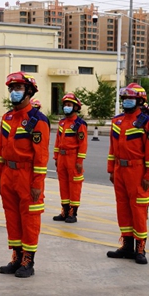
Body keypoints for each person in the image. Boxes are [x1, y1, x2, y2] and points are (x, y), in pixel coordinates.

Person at [0, 73, 49, 277]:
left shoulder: (37, 120)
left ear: (29, 92)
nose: (13, 92)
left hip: (27, 175)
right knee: (12, 217)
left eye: (18, 88)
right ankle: (16, 257)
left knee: (30, 219)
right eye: (12, 88)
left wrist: (37, 184)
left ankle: (28, 260)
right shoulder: (8, 117)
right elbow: (1, 149)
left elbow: (41, 156)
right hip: (8, 174)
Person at [106, 83, 149, 265]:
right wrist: (111, 169)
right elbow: (112, 148)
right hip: (119, 170)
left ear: (140, 101)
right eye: (125, 98)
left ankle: (140, 248)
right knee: (123, 208)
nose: (127, 101)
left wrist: (148, 176)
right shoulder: (117, 121)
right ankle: (127, 246)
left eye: (131, 98)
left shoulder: (147, 122)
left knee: (138, 210)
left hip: (137, 171)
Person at [52, 93, 88, 223]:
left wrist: (79, 161)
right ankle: (65, 211)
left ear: (76, 107)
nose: (66, 107)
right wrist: (56, 157)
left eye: (69, 105)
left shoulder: (79, 124)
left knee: (74, 185)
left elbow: (83, 144)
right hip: (62, 157)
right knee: (63, 184)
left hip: (73, 157)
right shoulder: (62, 123)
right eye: (65, 105)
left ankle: (73, 212)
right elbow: (58, 141)